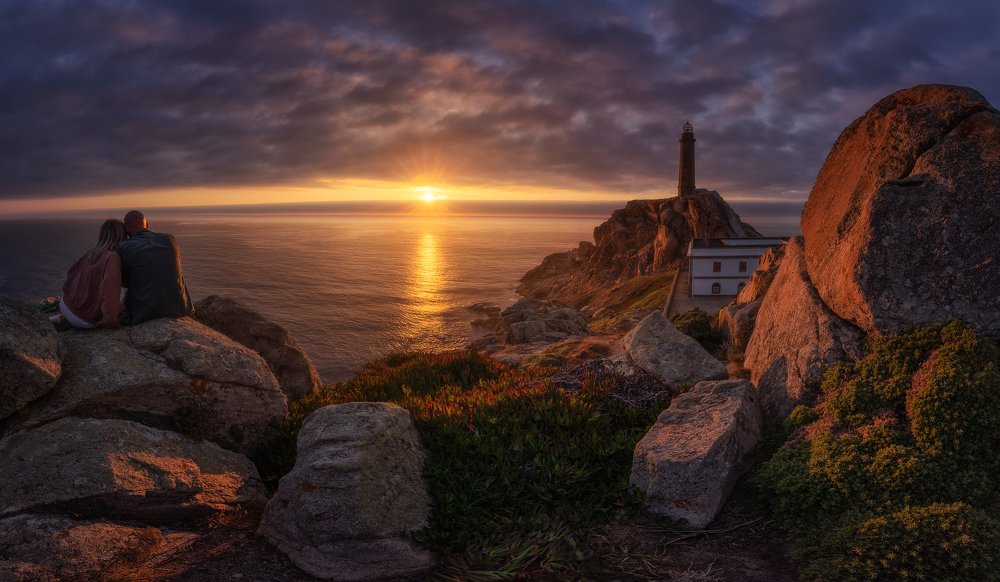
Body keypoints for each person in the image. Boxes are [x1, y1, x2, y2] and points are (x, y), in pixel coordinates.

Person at [117, 210, 194, 325]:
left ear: (126, 229)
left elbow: (124, 283)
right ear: (147, 225)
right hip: (179, 308)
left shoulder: (123, 247)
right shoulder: (170, 240)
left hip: (143, 313)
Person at [54, 219, 127, 328]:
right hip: (83, 318)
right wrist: (111, 322)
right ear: (121, 236)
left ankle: (61, 318)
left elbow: (71, 273)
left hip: (65, 304)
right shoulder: (112, 257)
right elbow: (109, 293)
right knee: (123, 307)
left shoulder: (92, 252)